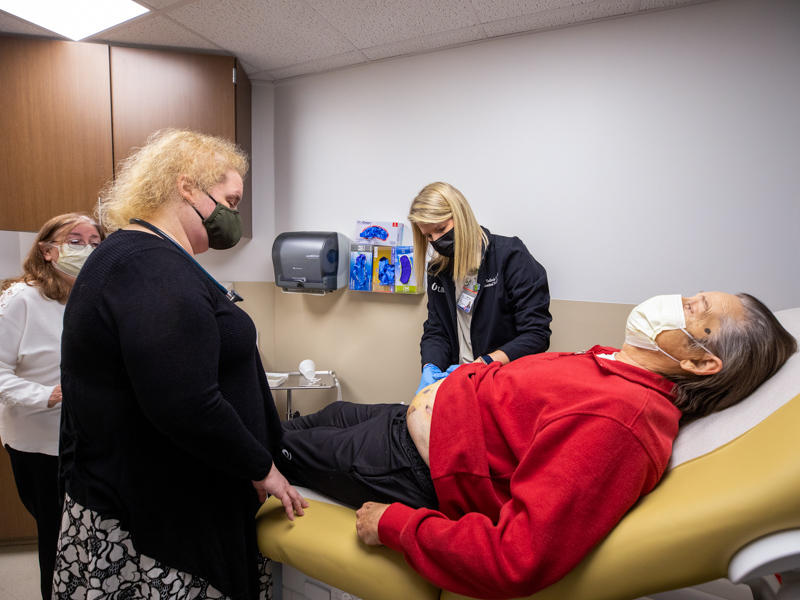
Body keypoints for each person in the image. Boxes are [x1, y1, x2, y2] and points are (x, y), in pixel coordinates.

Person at [275, 292, 796, 599]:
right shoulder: (619, 370)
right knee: (296, 423)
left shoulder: (621, 423)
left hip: (409, 467)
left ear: (702, 363)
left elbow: (517, 558)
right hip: (402, 423)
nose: (674, 303)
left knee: (266, 452)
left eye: (692, 309)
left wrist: (394, 525)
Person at [55, 129, 308, 600]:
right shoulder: (150, 267)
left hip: (152, 489)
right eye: (230, 200)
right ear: (187, 188)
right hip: (157, 521)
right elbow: (186, 402)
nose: (233, 216)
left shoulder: (142, 256)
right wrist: (262, 467)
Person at [0, 212, 103, 600]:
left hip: (87, 437)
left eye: (96, 242)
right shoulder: (21, 298)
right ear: (47, 250)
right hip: (39, 442)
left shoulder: (93, 297)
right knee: (57, 537)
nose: (87, 249)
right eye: (75, 240)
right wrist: (48, 395)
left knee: (82, 535)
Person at [407, 182, 552, 394]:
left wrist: (484, 364)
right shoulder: (437, 271)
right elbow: (437, 330)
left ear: (461, 216)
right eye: (429, 236)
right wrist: (431, 366)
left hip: (504, 383)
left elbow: (536, 334)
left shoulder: (510, 257)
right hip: (460, 383)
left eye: (441, 229)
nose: (437, 241)